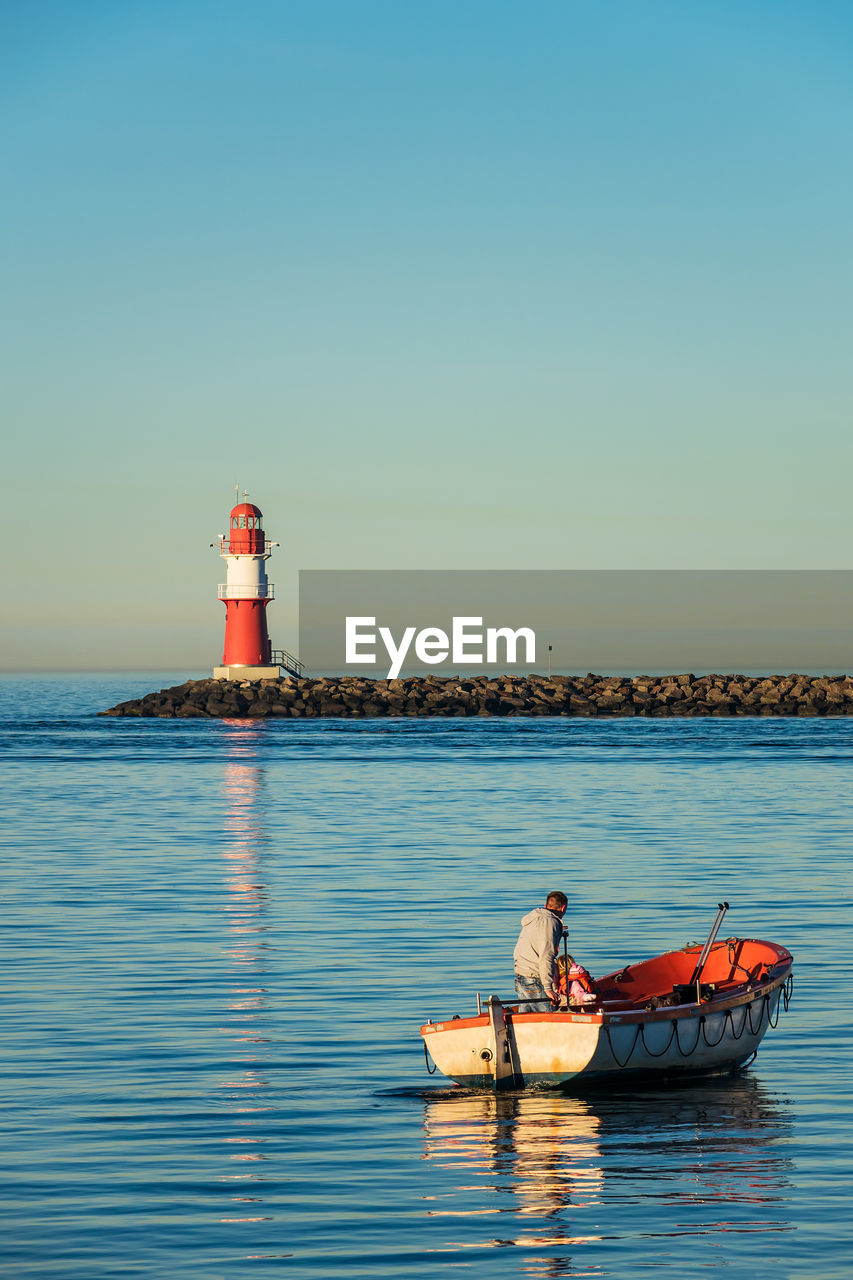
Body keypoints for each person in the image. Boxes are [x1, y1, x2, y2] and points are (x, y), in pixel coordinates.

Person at [513, 891, 568, 1011]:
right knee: (549, 1018)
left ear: (546, 905)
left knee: (526, 1019)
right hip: (534, 977)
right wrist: (548, 987)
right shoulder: (550, 922)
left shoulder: (533, 919)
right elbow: (546, 956)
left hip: (520, 974)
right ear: (563, 908)